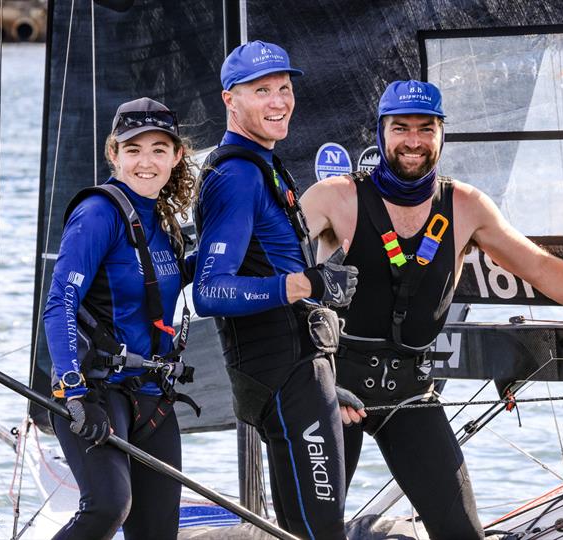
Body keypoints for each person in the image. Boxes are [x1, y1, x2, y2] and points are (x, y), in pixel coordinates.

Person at [299, 79, 563, 540]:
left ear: (441, 135)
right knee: (311, 534)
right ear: (381, 133)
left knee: (462, 534)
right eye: (401, 128)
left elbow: (536, 266)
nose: (413, 141)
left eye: (426, 128)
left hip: (412, 394)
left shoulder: (466, 205)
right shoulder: (334, 197)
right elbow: (279, 276)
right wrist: (312, 383)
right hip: (338, 391)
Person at [192, 40, 358, 540]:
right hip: (282, 375)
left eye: (284, 89)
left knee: (300, 531)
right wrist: (306, 282)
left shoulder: (262, 162)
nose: (278, 101)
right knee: (322, 533)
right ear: (230, 100)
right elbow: (210, 291)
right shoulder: (237, 175)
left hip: (298, 372)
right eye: (261, 90)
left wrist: (325, 382)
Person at [43, 97, 199, 540]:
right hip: (95, 391)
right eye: (133, 150)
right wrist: (72, 390)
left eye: (158, 149)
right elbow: (60, 302)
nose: (145, 162)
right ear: (113, 153)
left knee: (156, 530)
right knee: (108, 507)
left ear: (176, 155)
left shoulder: (163, 223)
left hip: (154, 396)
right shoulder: (98, 214)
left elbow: (172, 277)